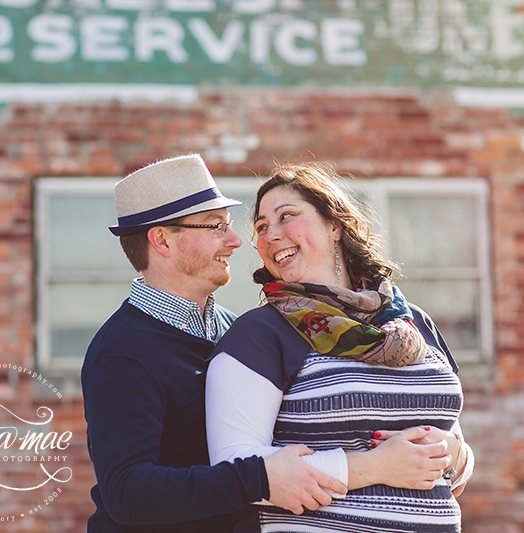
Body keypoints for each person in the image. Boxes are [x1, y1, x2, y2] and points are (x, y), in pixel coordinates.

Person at [80, 154, 349, 533]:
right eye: (216, 226)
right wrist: (260, 479)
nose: (236, 240)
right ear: (162, 240)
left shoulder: (233, 330)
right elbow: (128, 493)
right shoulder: (122, 353)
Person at [205, 161, 475, 532]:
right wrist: (377, 466)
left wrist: (454, 453)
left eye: (287, 216)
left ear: (335, 226)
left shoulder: (411, 322)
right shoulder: (260, 334)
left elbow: (456, 448)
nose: (271, 235)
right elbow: (235, 470)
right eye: (262, 227)